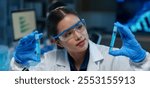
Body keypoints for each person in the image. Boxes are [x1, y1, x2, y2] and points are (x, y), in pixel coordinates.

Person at [10, 1, 150, 71]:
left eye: (79, 27)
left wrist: (142, 60)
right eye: (68, 33)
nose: (78, 36)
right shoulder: (49, 61)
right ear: (58, 42)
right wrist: (18, 63)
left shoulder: (110, 58)